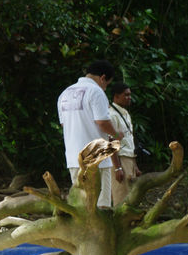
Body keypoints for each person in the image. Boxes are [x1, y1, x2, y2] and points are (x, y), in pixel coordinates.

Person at [58, 60, 122, 209]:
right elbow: (102, 122)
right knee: (101, 206)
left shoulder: (65, 94)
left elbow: (64, 125)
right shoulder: (96, 92)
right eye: (107, 84)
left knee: (81, 206)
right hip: (97, 158)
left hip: (74, 159)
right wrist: (117, 134)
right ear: (103, 78)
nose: (105, 88)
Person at [108, 82, 141, 206]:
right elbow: (111, 143)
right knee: (121, 194)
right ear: (116, 96)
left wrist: (135, 166)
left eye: (130, 95)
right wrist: (117, 167)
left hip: (129, 157)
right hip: (119, 158)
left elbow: (129, 140)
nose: (129, 98)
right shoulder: (112, 115)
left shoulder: (125, 114)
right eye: (126, 95)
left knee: (131, 194)